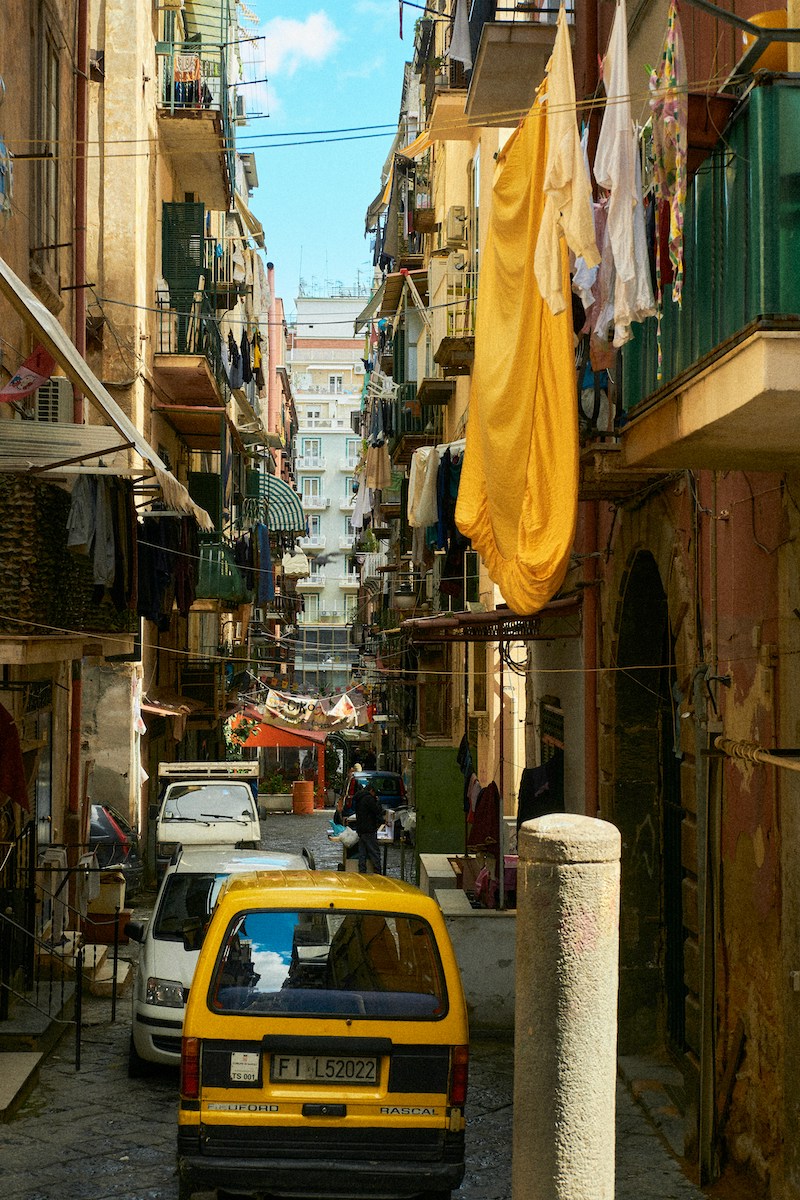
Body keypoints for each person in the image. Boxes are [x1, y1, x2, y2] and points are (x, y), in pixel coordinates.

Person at [353, 783, 384, 875]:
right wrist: (377, 802)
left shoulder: (359, 798)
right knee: (374, 852)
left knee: (362, 853)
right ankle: (378, 873)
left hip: (361, 829)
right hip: (369, 829)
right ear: (371, 791)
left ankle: (362, 872)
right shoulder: (369, 799)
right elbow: (377, 810)